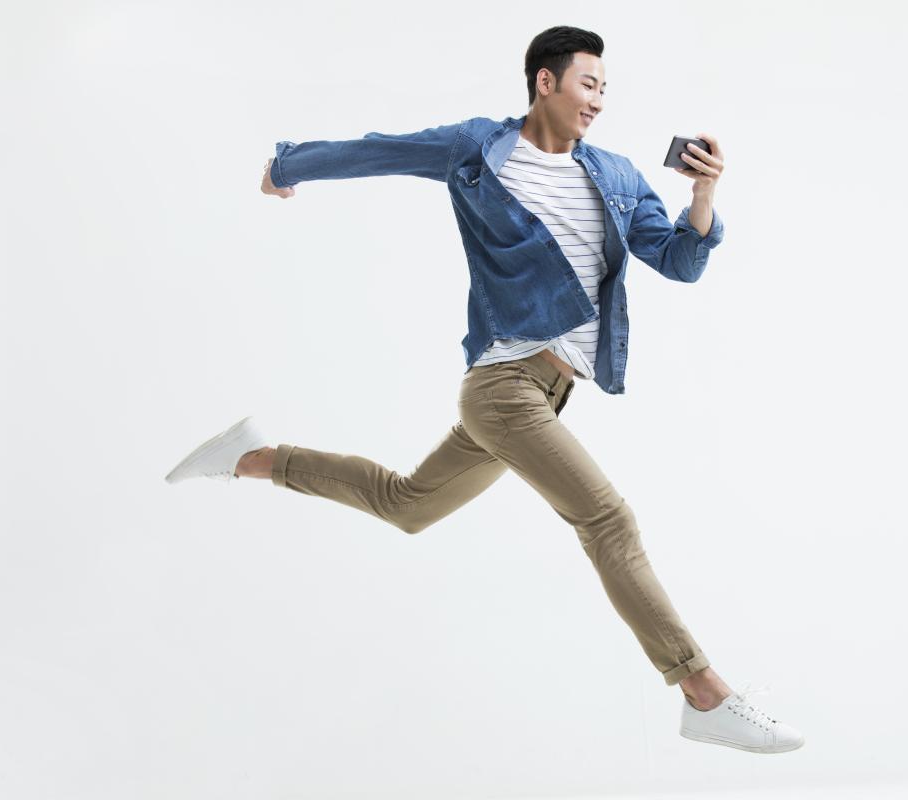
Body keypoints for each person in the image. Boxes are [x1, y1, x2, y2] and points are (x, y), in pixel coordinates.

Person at [165, 25, 803, 755]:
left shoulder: (617, 175)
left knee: (408, 505)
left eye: (605, 89)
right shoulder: (478, 149)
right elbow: (383, 149)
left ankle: (251, 457)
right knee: (607, 520)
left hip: (543, 394)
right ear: (545, 82)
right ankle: (703, 692)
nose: (598, 100)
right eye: (588, 83)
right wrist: (287, 165)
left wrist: (704, 193)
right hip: (506, 387)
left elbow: (681, 261)